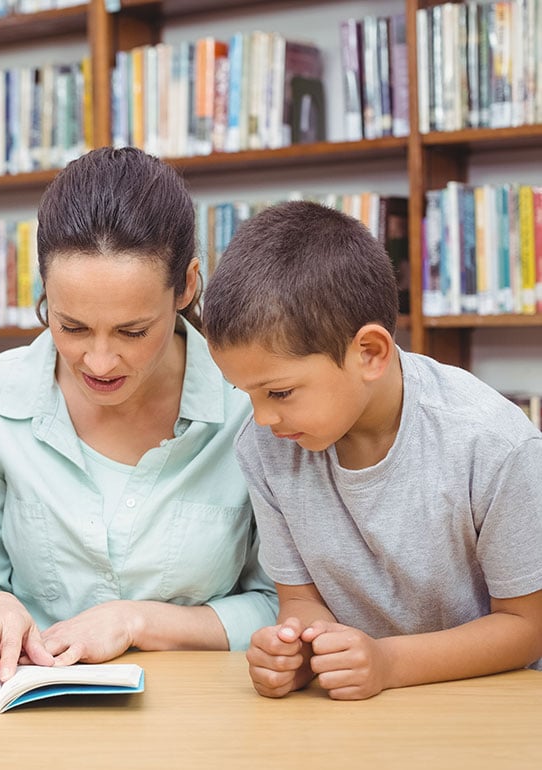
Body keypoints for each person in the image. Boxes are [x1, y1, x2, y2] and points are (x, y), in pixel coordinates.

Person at [0, 146, 277, 681]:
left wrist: (136, 622)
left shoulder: (249, 404)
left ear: (186, 286)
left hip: (203, 718)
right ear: (43, 289)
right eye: (71, 326)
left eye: (133, 332)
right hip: (32, 711)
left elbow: (279, 606)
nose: (100, 361)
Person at [203, 200, 542, 701]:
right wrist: (296, 645)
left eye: (278, 393)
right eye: (243, 393)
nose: (261, 418)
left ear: (369, 353)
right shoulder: (267, 447)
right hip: (358, 705)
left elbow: (525, 626)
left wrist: (387, 662)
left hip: (489, 702)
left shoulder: (493, 443)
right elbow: (301, 600)